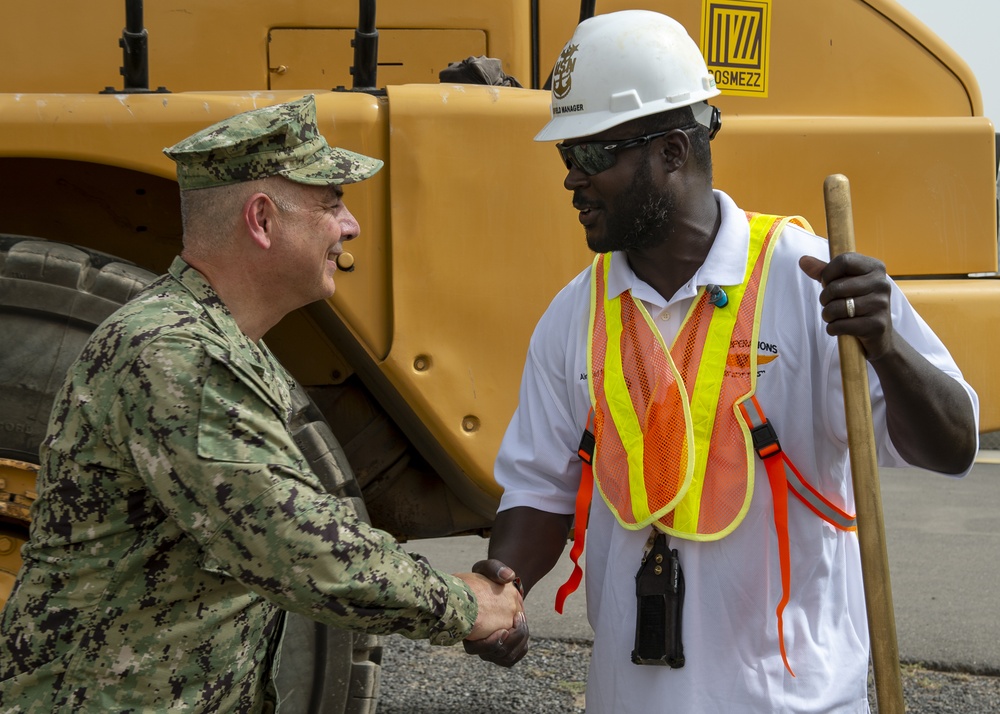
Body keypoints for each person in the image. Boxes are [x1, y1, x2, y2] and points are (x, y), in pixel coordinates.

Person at [463, 10, 979, 713]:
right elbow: (538, 492)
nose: (571, 182)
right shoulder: (574, 316)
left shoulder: (811, 284)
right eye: (565, 157)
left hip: (797, 704)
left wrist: (888, 349)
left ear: (673, 150)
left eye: (591, 157)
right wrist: (506, 585)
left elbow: (951, 448)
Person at [0, 95, 521, 712]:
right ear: (263, 220)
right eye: (331, 204)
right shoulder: (176, 355)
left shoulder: (224, 345)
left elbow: (308, 523)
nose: (350, 226)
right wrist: (466, 606)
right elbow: (297, 546)